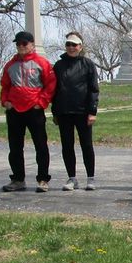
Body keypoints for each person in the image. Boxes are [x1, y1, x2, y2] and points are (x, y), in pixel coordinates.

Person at [0, 30, 56, 192]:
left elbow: (50, 85)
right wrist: (5, 101)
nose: (21, 46)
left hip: (34, 110)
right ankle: (18, 179)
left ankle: (43, 179)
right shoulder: (10, 65)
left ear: (32, 45)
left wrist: (41, 102)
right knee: (15, 147)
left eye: (24, 43)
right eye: (18, 44)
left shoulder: (42, 63)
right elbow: (5, 86)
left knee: (40, 145)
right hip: (14, 110)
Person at [52, 31, 99, 191]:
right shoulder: (58, 65)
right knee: (67, 145)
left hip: (83, 112)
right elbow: (54, 90)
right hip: (64, 112)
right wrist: (55, 112)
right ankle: (72, 178)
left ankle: (90, 178)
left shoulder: (88, 64)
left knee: (87, 145)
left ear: (80, 46)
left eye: (74, 44)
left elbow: (93, 90)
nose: (71, 47)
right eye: (68, 44)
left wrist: (92, 111)